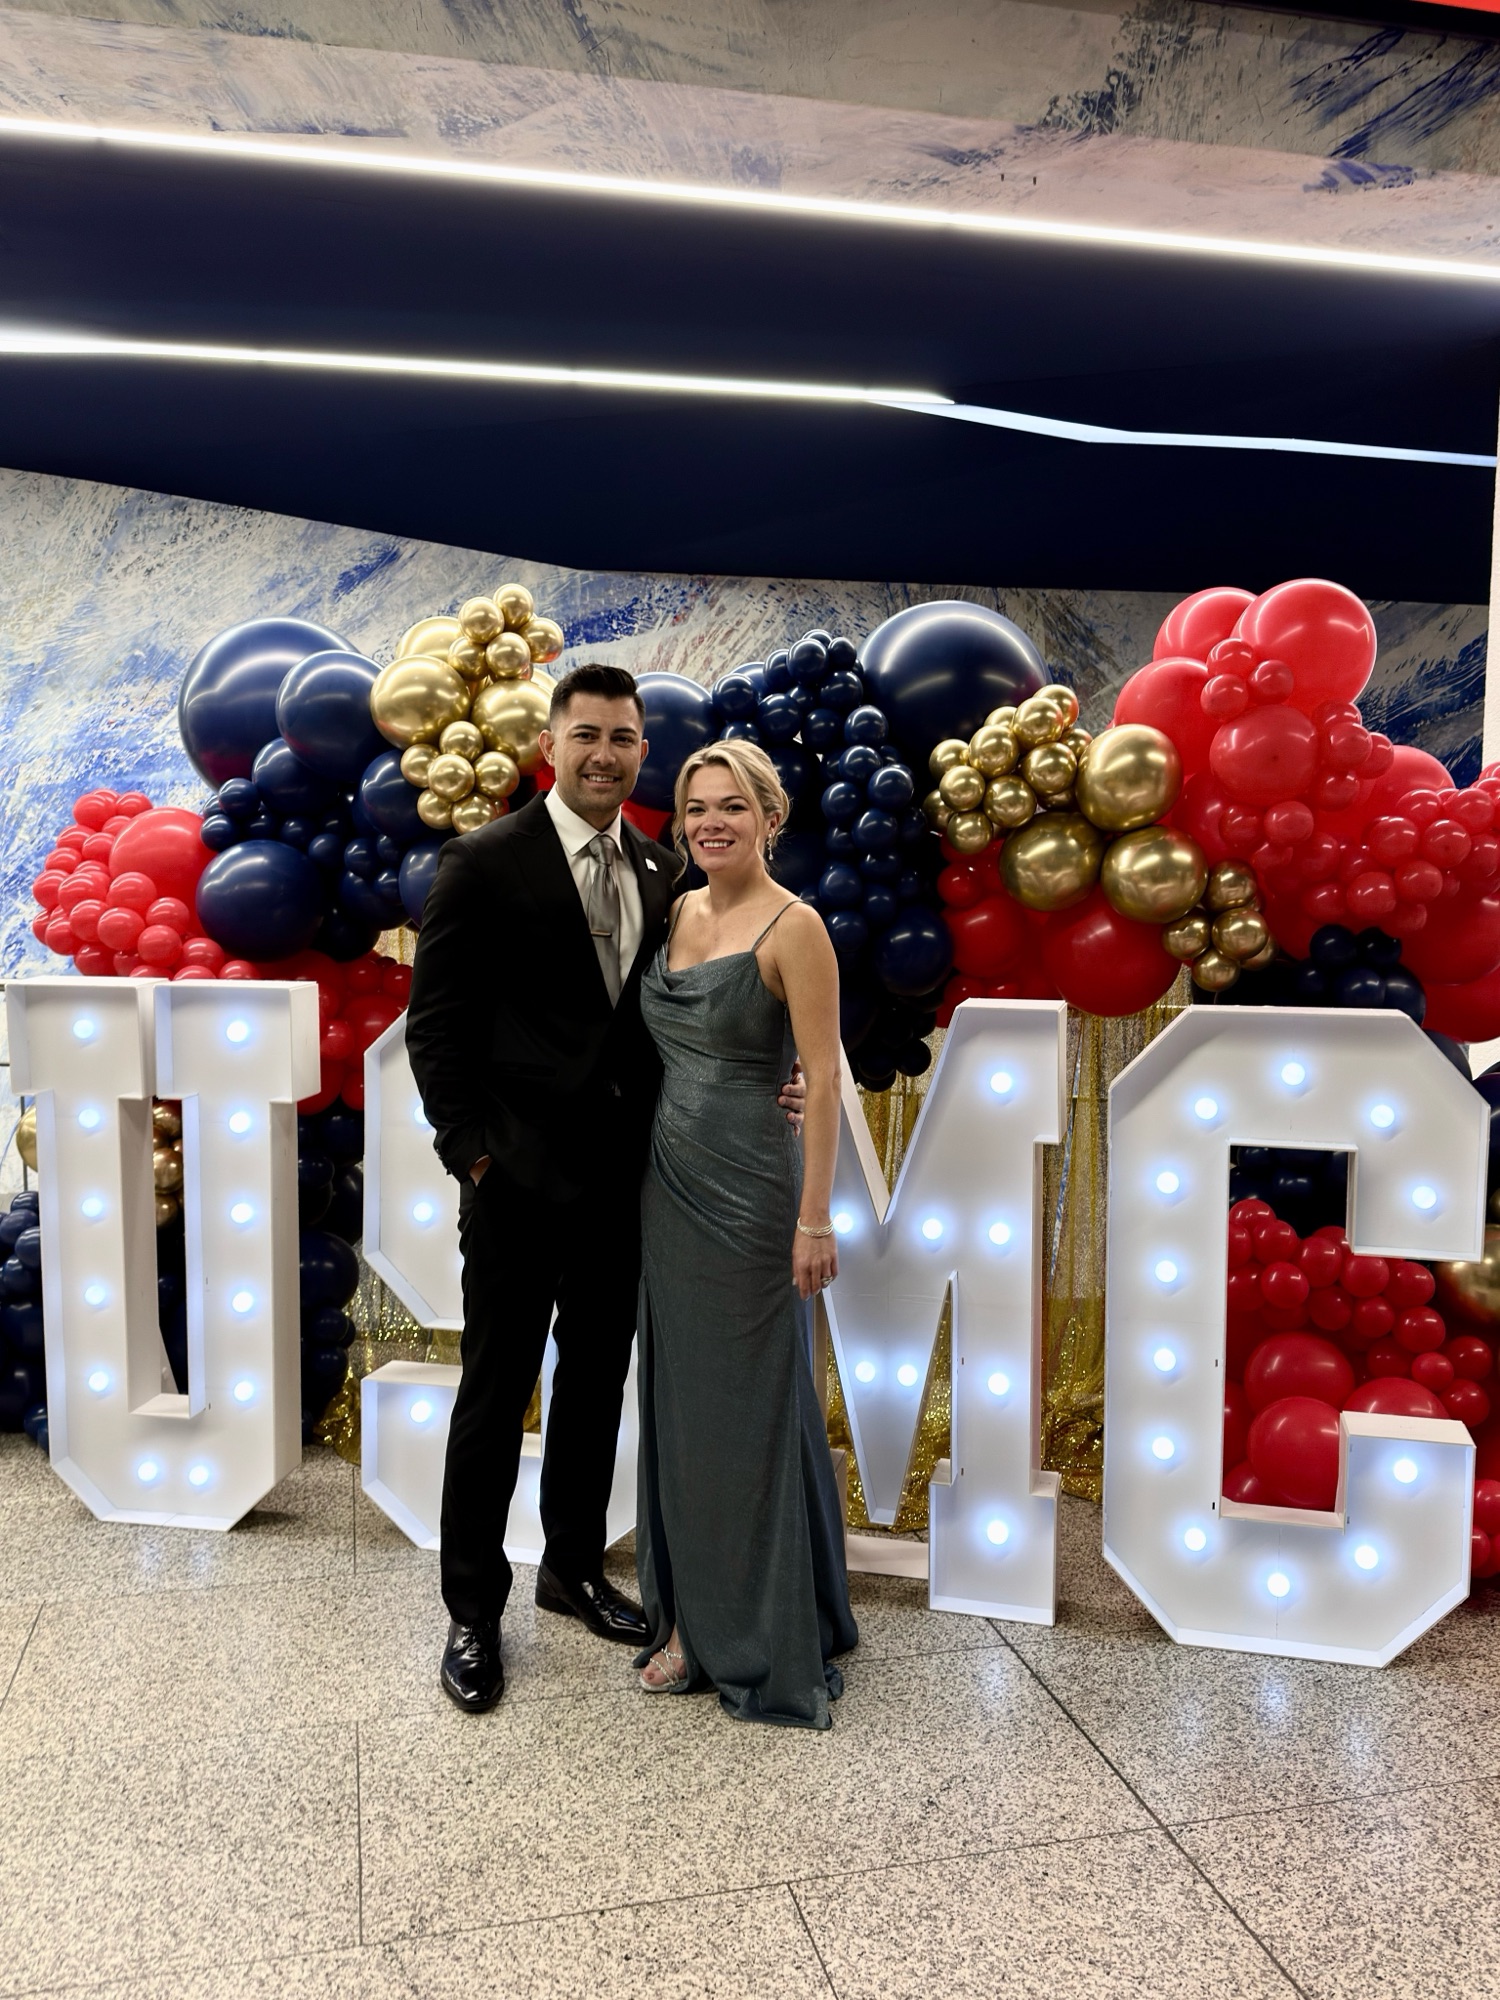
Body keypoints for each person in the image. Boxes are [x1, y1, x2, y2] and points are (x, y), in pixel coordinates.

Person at [405, 662, 801, 1715]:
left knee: (593, 1385)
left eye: (623, 738)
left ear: (641, 752)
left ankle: (571, 1567)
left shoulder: (668, 869)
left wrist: (787, 1080)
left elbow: (691, 1018)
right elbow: (435, 1029)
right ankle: (472, 1608)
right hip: (513, 1184)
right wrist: (474, 1156)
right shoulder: (482, 861)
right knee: (495, 1394)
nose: (604, 754)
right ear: (551, 744)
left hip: (631, 1187)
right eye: (586, 734)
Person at [634, 739, 858, 1729]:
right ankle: (700, 1609)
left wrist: (816, 1216)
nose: (710, 823)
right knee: (685, 1408)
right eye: (696, 808)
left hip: (754, 1197)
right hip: (667, 1186)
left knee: (745, 1413)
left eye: (731, 806)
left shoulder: (794, 925)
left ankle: (740, 1634)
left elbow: (825, 1078)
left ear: (771, 817)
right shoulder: (677, 910)